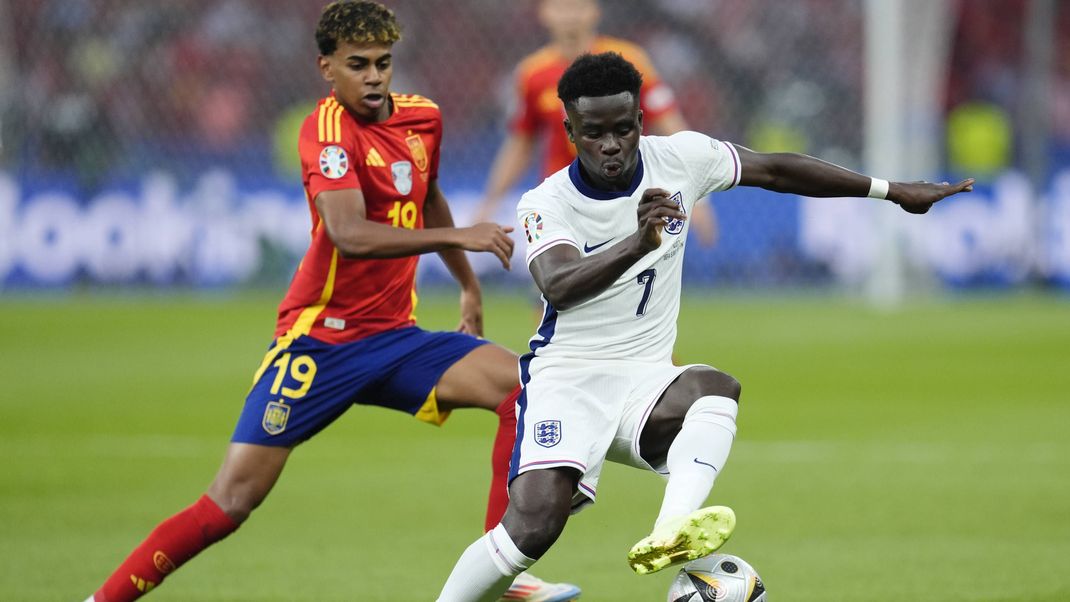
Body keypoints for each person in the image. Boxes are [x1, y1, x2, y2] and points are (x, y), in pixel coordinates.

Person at [83, 3, 579, 601]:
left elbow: (428, 196)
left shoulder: (423, 119)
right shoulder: (326, 132)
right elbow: (350, 233)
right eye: (358, 65)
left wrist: (468, 286)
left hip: (395, 338)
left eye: (383, 63)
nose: (374, 76)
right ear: (327, 68)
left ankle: (502, 571)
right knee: (229, 502)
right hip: (320, 343)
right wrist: (458, 239)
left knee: (521, 388)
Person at [436, 52, 974, 601]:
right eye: (594, 133)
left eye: (623, 128)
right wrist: (637, 243)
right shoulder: (547, 201)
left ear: (641, 122)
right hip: (567, 382)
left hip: (644, 380)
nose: (612, 144)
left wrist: (890, 190)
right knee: (531, 531)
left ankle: (671, 530)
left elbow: (775, 168)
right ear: (570, 130)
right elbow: (559, 283)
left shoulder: (683, 158)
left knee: (715, 389)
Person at [473, 0, 718, 247]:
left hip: (623, 194)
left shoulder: (629, 60)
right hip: (562, 200)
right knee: (560, 278)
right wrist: (490, 202)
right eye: (561, 8)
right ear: (544, 13)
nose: (570, 16)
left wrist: (697, 195)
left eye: (578, 7)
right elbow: (521, 143)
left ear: (595, 12)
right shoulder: (532, 74)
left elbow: (669, 123)